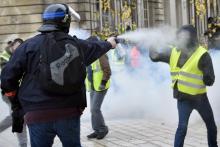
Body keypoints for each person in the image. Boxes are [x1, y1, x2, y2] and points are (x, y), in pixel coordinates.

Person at [0, 3, 116, 147]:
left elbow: (7, 79)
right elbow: (95, 48)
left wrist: (15, 100)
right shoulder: (76, 45)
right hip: (69, 111)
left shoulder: (28, 46)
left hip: (37, 113)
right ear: (66, 21)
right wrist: (109, 43)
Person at [149, 25, 218, 147]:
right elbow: (154, 57)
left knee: (207, 126)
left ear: (190, 38)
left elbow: (210, 80)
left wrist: (207, 76)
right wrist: (152, 43)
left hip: (199, 98)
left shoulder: (202, 55)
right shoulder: (174, 52)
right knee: (184, 127)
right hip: (186, 98)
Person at [0, 38, 28, 147]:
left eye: (20, 47)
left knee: (19, 116)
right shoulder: (4, 57)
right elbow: (9, 74)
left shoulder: (20, 56)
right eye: (16, 47)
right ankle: (23, 143)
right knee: (16, 116)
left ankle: (23, 143)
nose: (17, 50)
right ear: (12, 46)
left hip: (19, 92)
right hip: (9, 93)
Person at [86, 36, 111, 140]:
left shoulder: (100, 54)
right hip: (93, 86)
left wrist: (103, 82)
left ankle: (102, 129)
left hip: (101, 86)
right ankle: (96, 130)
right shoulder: (90, 55)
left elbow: (107, 70)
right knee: (92, 110)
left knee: (95, 109)